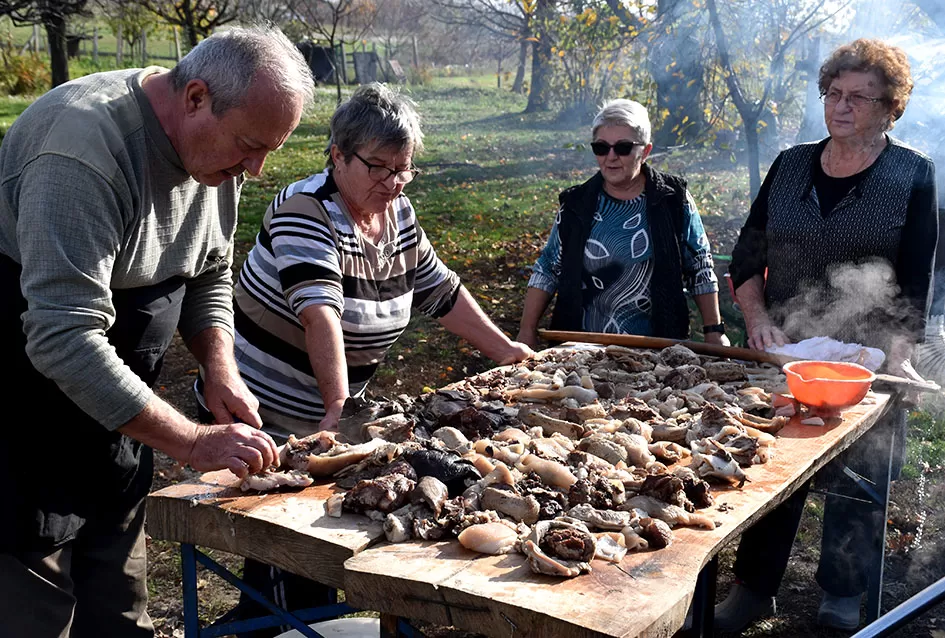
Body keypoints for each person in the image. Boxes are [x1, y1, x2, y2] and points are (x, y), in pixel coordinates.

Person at [0, 25, 314, 638]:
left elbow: (212, 271)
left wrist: (218, 363)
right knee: (35, 618)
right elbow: (63, 338)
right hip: (24, 422)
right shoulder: (81, 153)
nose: (256, 168)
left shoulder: (215, 162)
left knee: (120, 617)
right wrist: (195, 443)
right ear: (195, 97)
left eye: (268, 150)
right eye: (249, 145)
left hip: (116, 428)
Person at [227, 82, 533, 634]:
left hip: (329, 407)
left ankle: (287, 622)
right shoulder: (305, 209)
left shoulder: (397, 211)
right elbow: (319, 311)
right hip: (262, 407)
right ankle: (268, 625)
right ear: (337, 155)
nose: (394, 182)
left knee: (318, 549)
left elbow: (440, 291)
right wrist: (339, 406)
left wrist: (509, 351)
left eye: (404, 169)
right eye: (379, 167)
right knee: (290, 552)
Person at [718, 38, 937, 632]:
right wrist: (759, 318)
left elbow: (916, 284)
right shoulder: (791, 164)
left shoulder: (913, 174)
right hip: (787, 350)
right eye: (833, 94)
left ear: (890, 107)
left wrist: (899, 358)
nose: (840, 107)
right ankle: (754, 587)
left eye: (858, 98)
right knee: (768, 467)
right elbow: (745, 256)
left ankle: (843, 589)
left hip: (864, 358)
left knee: (861, 476)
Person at [517, 99, 728, 348]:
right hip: (580, 349)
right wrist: (526, 331)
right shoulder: (576, 204)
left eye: (623, 148)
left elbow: (699, 263)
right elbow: (549, 267)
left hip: (658, 350)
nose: (611, 157)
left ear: (646, 151)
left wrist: (714, 330)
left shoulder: (672, 198)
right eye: (601, 148)